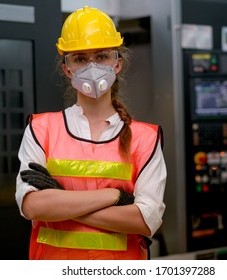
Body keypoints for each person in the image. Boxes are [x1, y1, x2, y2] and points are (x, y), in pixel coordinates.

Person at [15, 6, 167, 260]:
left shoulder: (145, 138)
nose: (92, 66)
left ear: (117, 63)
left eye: (101, 56)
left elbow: (144, 220)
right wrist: (115, 196)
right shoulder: (41, 130)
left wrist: (60, 202)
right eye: (80, 59)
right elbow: (32, 206)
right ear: (67, 68)